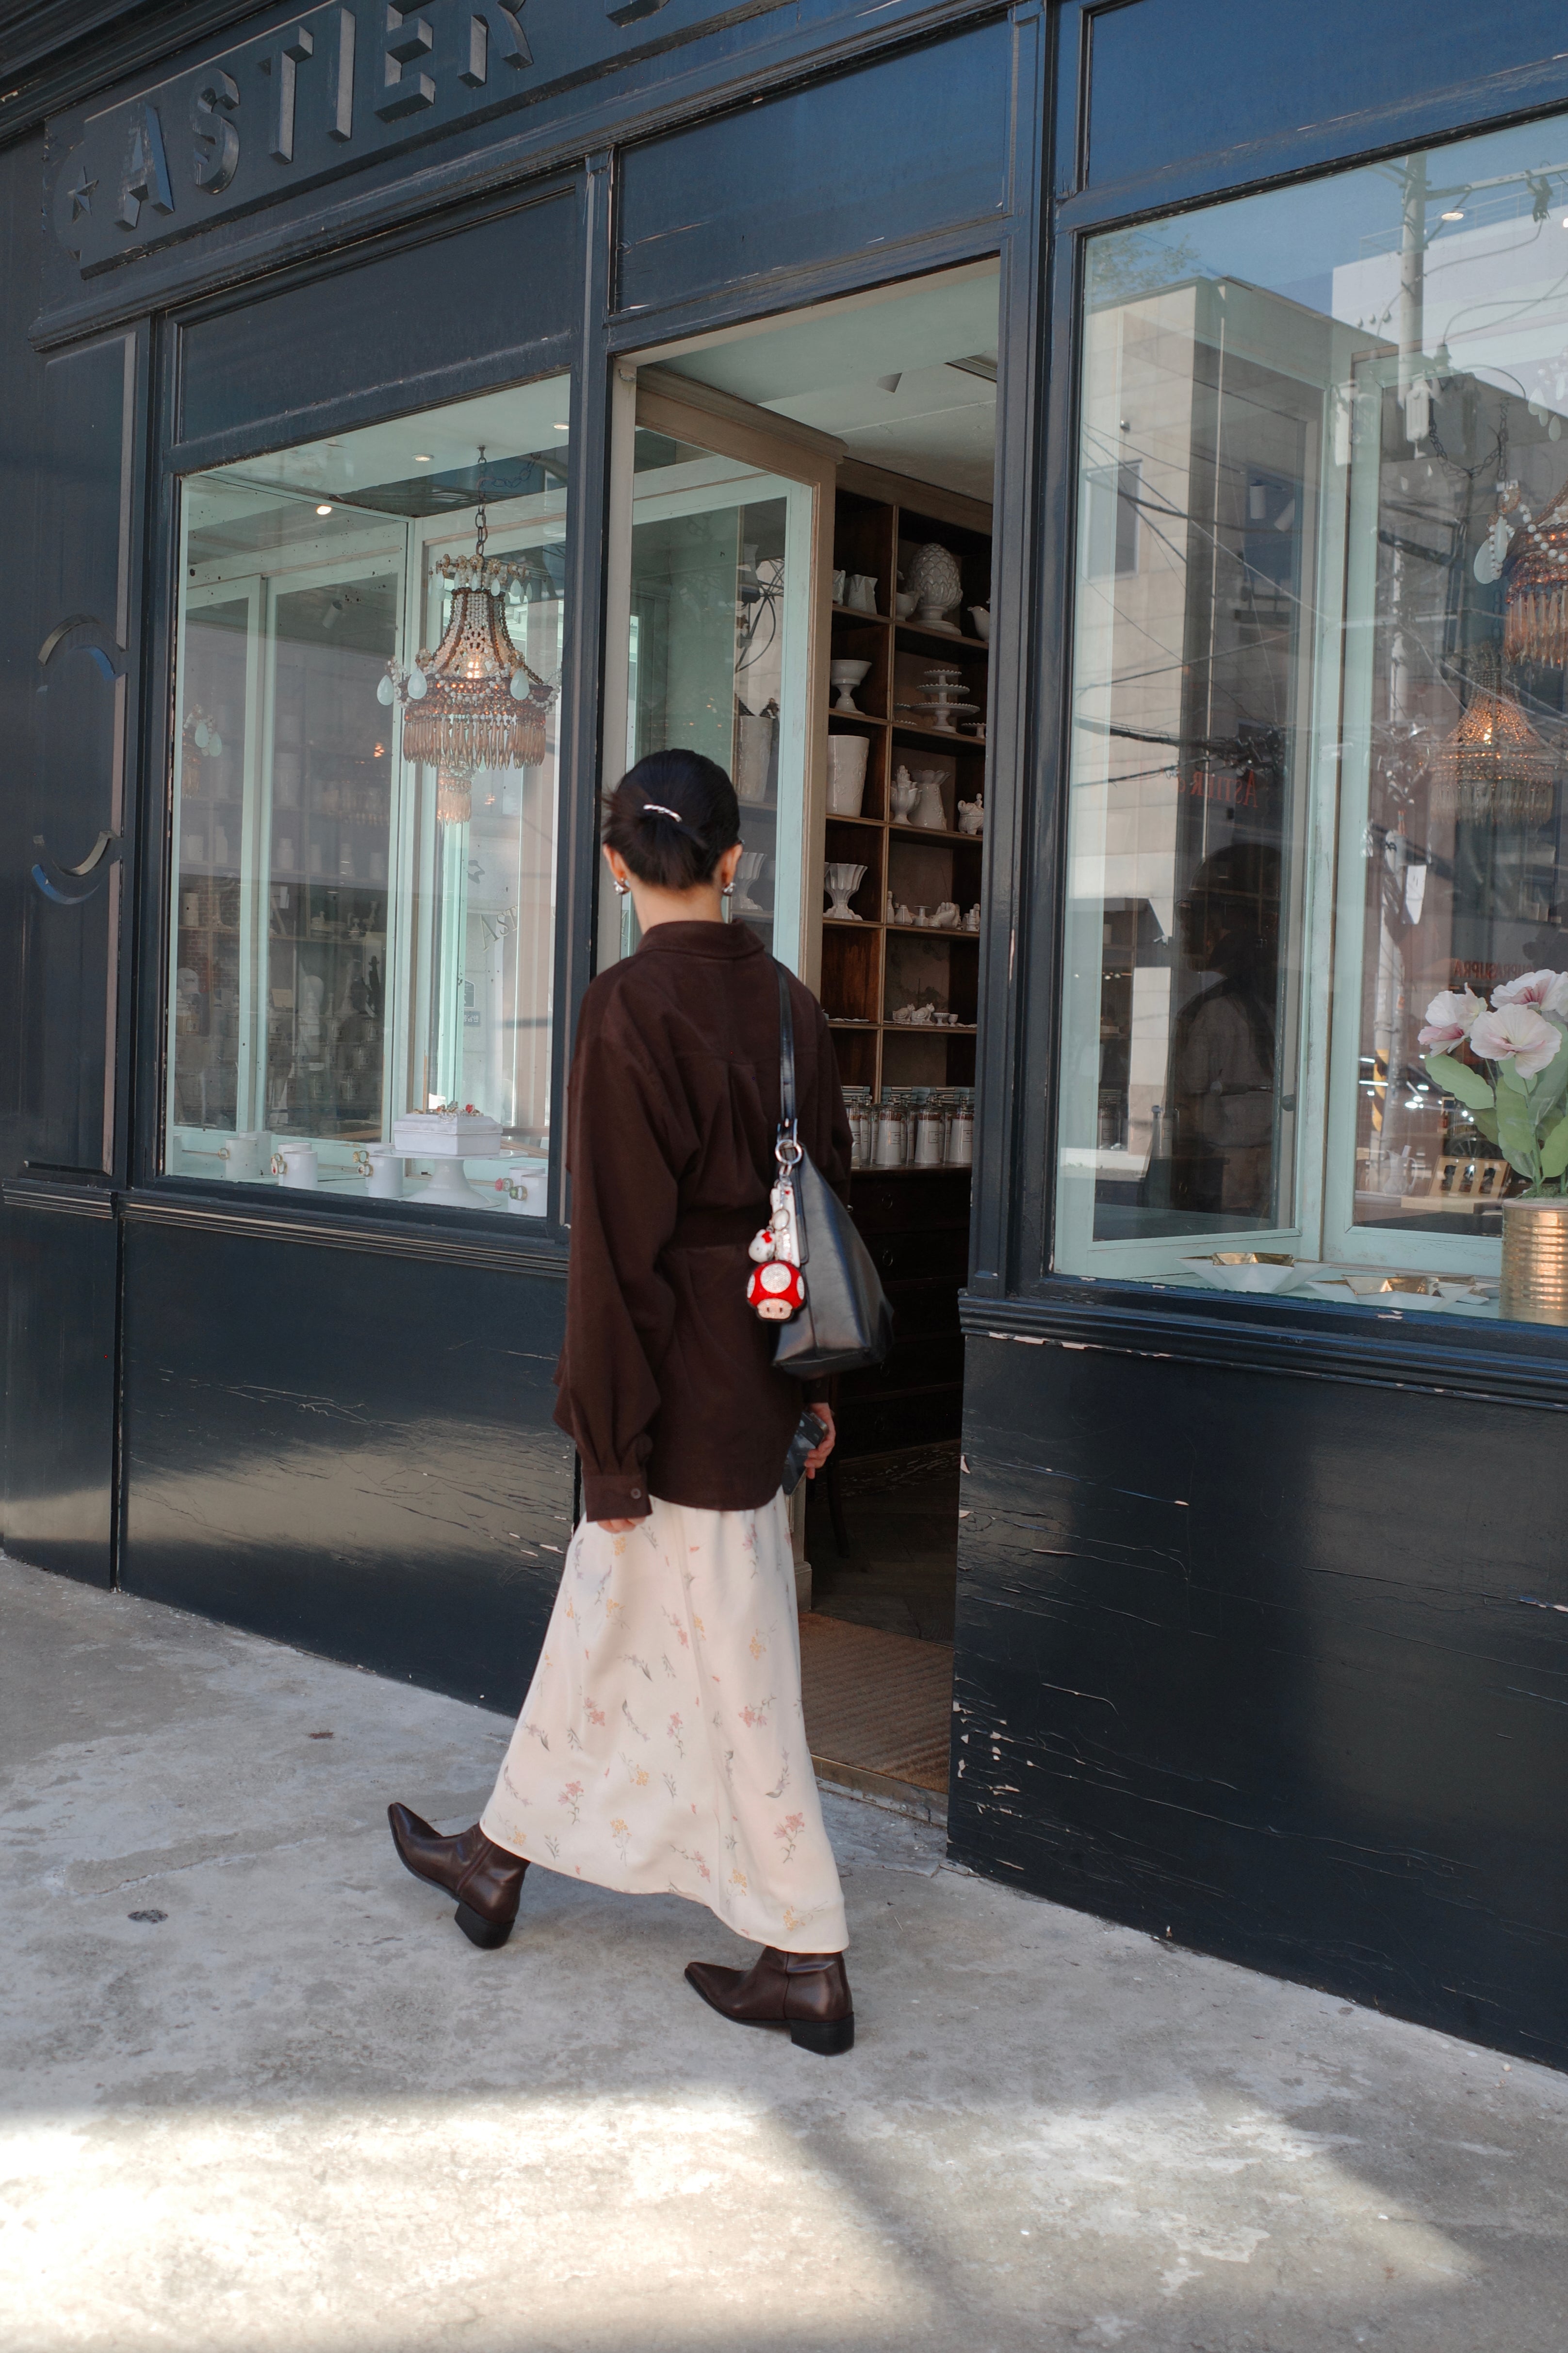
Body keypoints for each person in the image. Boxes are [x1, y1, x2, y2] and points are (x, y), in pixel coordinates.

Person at [388, 747, 857, 2056]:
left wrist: (606, 1442)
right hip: (757, 1371)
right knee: (610, 1627)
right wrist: (812, 1392)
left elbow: (615, 1255)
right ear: (732, 860)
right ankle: (496, 1856)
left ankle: (809, 1951)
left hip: (668, 1392)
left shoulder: (622, 1009)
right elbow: (819, 1220)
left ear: (611, 867)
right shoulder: (791, 1009)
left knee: (741, 1670)